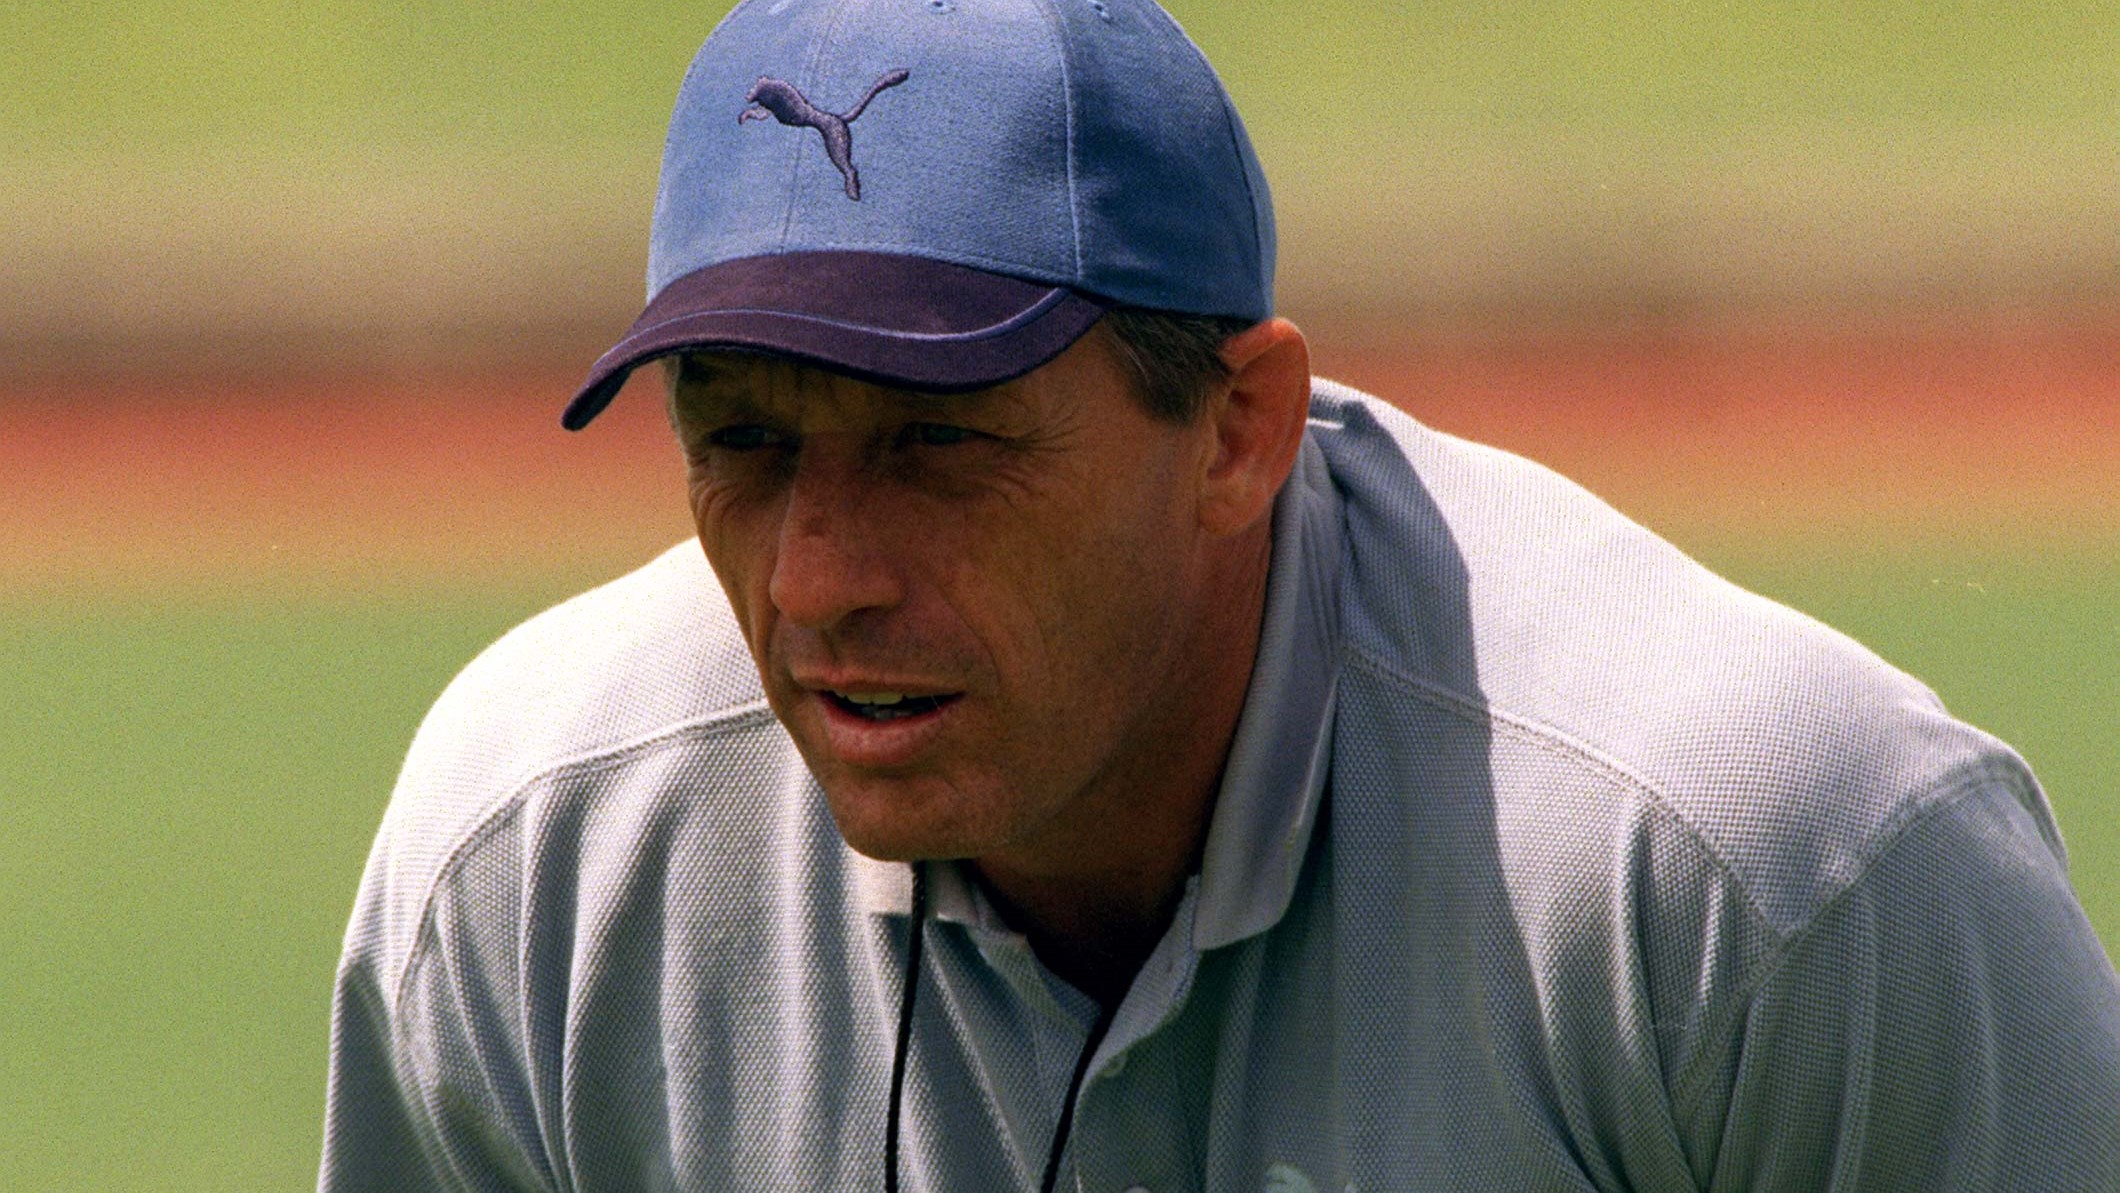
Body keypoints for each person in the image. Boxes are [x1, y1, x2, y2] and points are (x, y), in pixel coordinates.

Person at [319, 1, 2120, 1189]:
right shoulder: (535, 862)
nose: (817, 580)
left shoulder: (1758, 868)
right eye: (742, 441)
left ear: (1240, 428)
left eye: (942, 445)